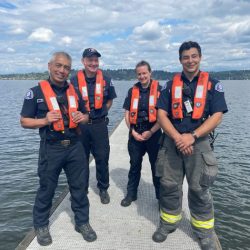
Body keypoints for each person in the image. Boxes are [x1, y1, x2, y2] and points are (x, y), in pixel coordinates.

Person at [153, 41, 228, 250]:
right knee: (168, 186)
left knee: (199, 189)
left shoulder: (213, 84)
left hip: (200, 142)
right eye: (185, 57)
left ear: (200, 57)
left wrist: (192, 136)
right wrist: (178, 137)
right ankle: (168, 223)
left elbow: (217, 116)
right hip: (172, 141)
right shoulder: (169, 85)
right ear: (180, 60)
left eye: (194, 56)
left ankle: (204, 233)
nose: (190, 60)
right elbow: (161, 114)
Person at [20, 52, 97, 246]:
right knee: (47, 188)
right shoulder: (35, 92)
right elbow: (24, 121)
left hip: (75, 146)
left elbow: (87, 115)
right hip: (51, 147)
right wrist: (44, 121)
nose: (62, 71)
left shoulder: (75, 91)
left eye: (66, 68)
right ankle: (41, 225)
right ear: (50, 66)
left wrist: (83, 117)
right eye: (59, 66)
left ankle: (82, 222)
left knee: (80, 187)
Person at [70, 48, 117, 204]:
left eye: (96, 60)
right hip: (81, 127)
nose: (93, 63)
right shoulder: (74, 80)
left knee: (102, 158)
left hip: (99, 125)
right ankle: (81, 189)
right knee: (80, 159)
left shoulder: (107, 79)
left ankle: (103, 188)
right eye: (90, 60)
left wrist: (100, 113)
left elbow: (110, 100)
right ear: (83, 61)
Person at [121, 60, 162, 207]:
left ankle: (160, 198)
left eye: (144, 73)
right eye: (139, 74)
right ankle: (131, 194)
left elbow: (164, 116)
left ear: (150, 72)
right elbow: (126, 114)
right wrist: (132, 132)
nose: (142, 76)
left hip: (154, 133)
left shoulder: (160, 90)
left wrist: (151, 131)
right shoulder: (132, 91)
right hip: (136, 134)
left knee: (157, 168)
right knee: (134, 166)